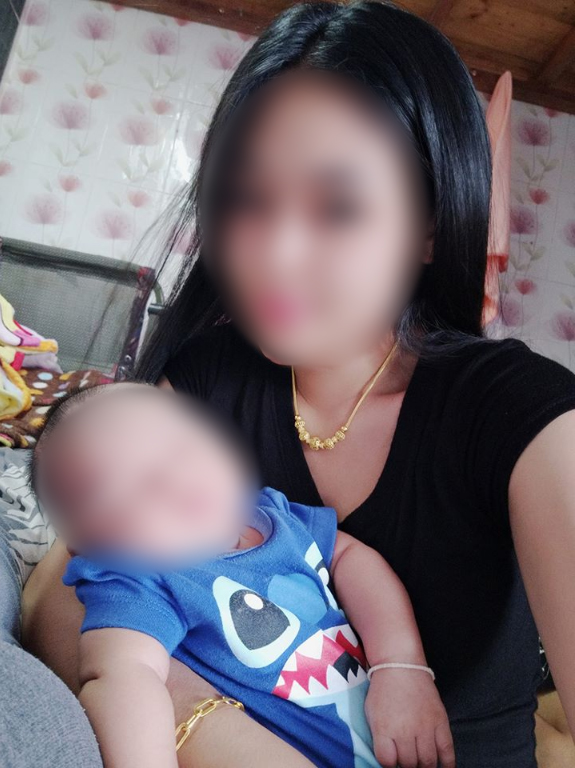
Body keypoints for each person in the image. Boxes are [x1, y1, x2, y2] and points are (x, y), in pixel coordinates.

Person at [21, 2, 575, 767]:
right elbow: (61, 595)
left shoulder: (518, 411)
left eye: (338, 207)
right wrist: (196, 719)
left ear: (428, 227)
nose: (274, 256)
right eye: (247, 199)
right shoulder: (205, 377)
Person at [29, 381, 454, 768]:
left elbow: (351, 557)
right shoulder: (136, 579)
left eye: (181, 447)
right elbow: (123, 678)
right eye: (129, 487)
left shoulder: (273, 514)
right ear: (85, 546)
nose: (173, 480)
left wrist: (400, 666)